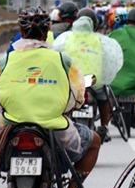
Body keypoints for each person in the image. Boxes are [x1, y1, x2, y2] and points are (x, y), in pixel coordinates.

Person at [0, 6, 101, 188]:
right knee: (94, 141)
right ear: (47, 30)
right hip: (54, 128)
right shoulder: (62, 60)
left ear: (21, 32)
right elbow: (78, 97)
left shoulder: (6, 60)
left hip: (8, 126)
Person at [53, 13, 124, 141]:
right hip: (93, 81)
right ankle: (104, 126)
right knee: (104, 97)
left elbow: (54, 55)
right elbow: (111, 58)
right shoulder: (102, 41)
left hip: (72, 82)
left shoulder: (65, 38)